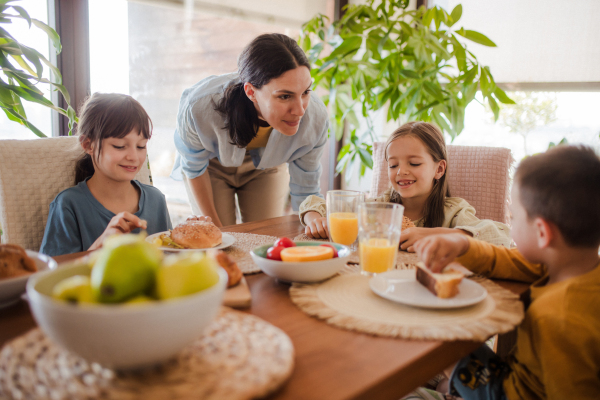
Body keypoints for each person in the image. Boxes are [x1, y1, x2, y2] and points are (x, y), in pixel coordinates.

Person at [412, 145, 600, 400]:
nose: (510, 224)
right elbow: (506, 258)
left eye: (513, 218)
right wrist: (463, 244)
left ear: (542, 233)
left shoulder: (560, 318)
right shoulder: (568, 263)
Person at [171, 33, 329, 227]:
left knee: (263, 237)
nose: (300, 110)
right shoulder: (199, 107)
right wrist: (216, 230)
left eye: (305, 92)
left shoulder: (316, 117)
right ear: (251, 92)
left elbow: (306, 188)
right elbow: (194, 168)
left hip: (267, 166)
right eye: (285, 96)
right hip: (210, 167)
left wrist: (315, 220)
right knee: (221, 239)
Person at [300, 121, 511, 250]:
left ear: (439, 169)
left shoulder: (453, 212)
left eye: (414, 163)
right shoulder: (377, 207)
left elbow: (500, 235)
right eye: (393, 165)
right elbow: (314, 202)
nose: (401, 171)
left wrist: (434, 234)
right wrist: (315, 220)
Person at [40, 93, 173, 256]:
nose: (134, 157)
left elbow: (172, 259)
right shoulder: (68, 205)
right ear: (88, 145)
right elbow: (53, 276)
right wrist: (100, 245)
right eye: (119, 146)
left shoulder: (156, 199)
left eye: (141, 146)